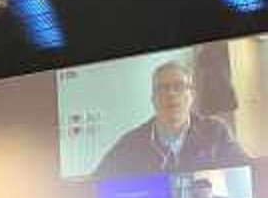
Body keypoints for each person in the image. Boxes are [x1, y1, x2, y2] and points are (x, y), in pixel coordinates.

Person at [93, 61, 251, 180]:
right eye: (163, 88)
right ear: (153, 99)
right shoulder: (130, 143)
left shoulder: (216, 132)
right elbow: (96, 183)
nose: (171, 94)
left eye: (179, 86)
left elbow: (247, 172)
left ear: (192, 95)